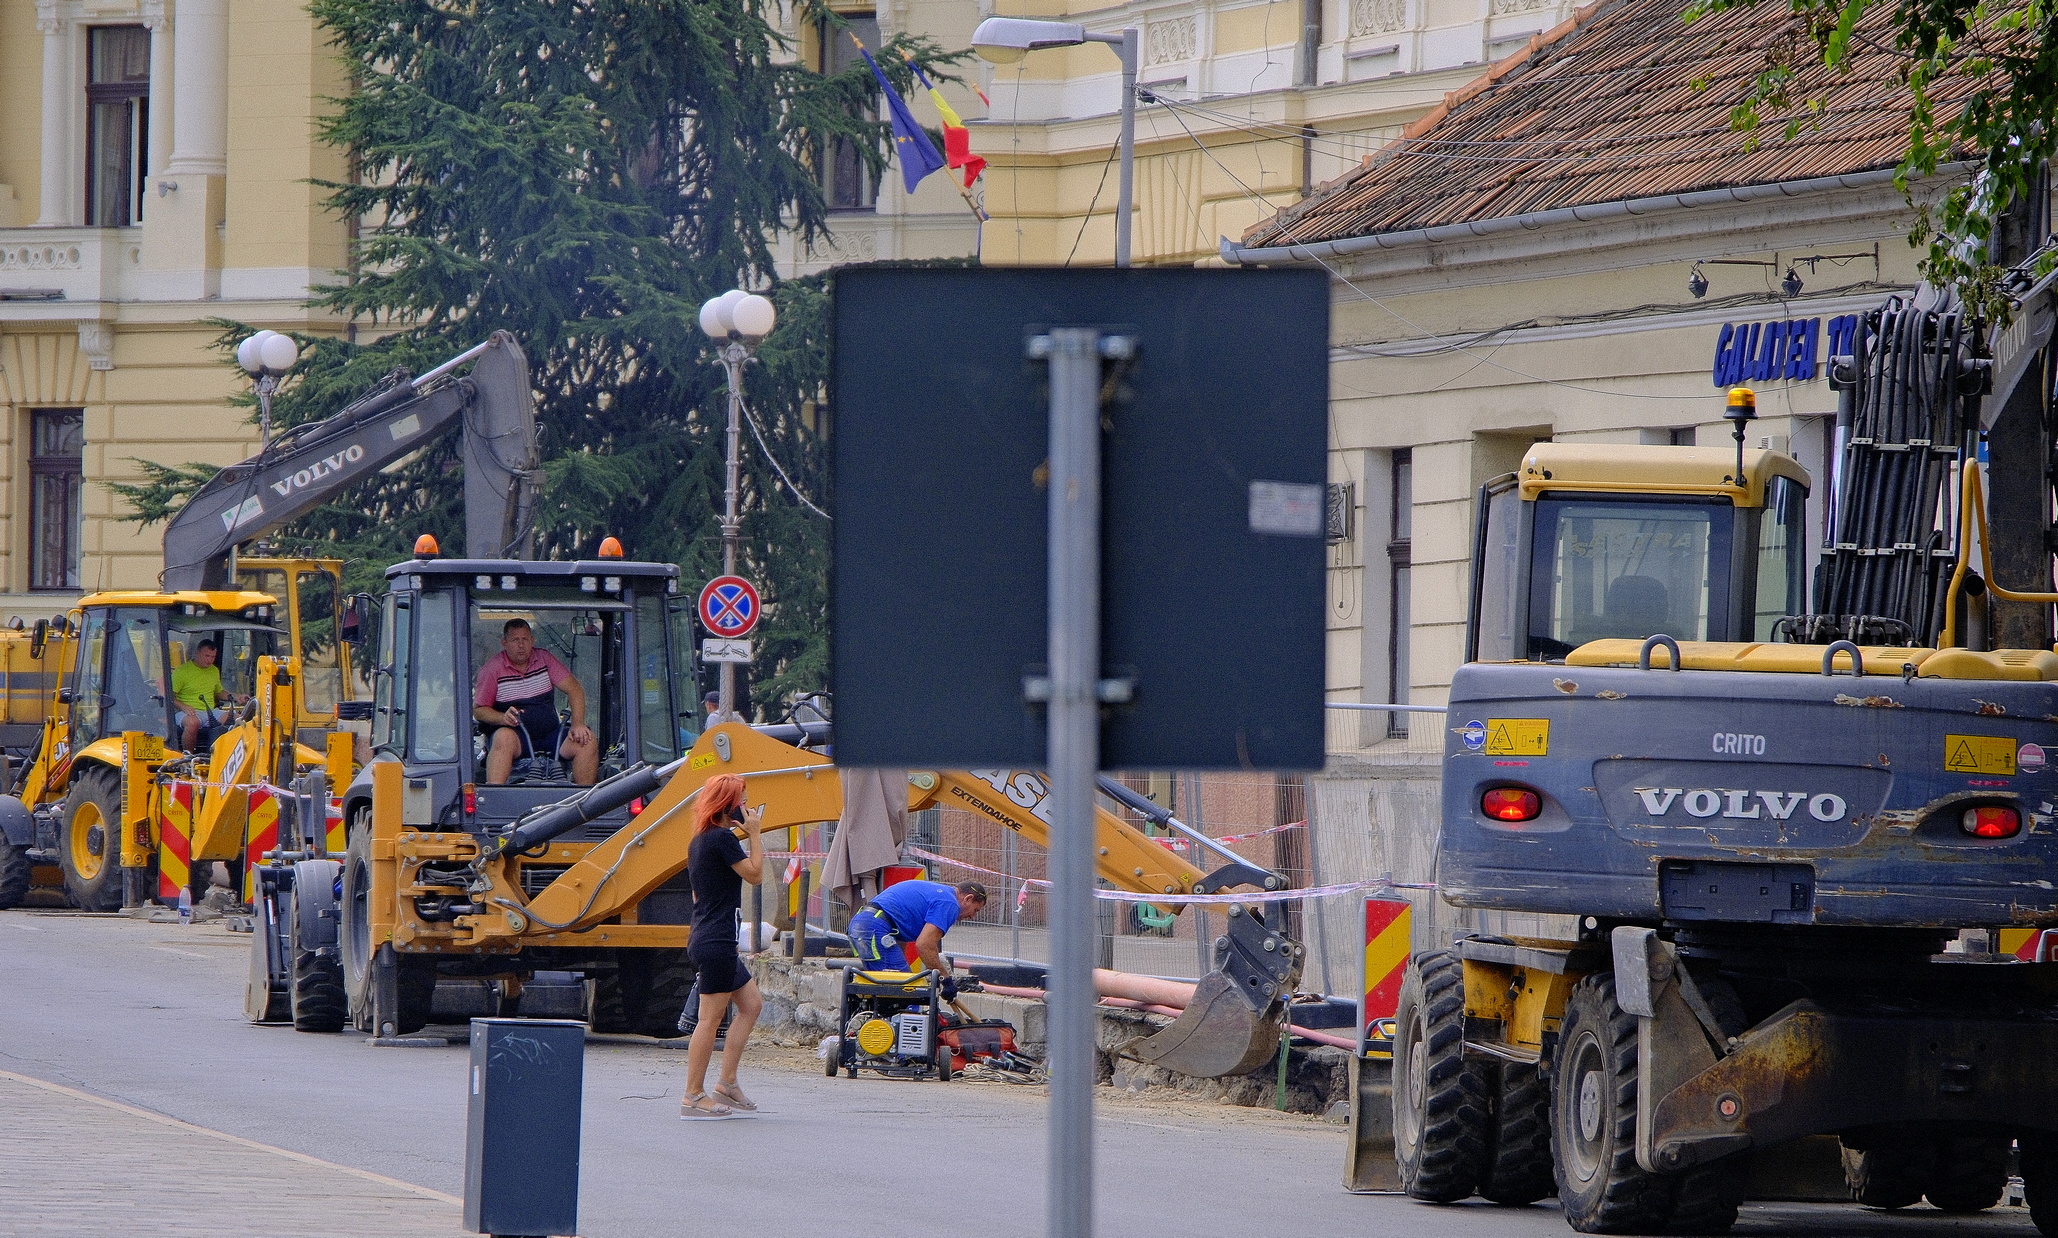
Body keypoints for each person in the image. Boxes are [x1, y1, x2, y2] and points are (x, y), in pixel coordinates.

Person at [681, 772, 765, 1120]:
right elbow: (756, 874)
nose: (745, 807)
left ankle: (727, 1082)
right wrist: (756, 833)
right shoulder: (722, 839)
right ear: (727, 804)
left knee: (751, 1004)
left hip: (710, 937)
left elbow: (698, 893)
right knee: (709, 1020)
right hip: (716, 942)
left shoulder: (701, 840)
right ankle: (692, 1095)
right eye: (741, 800)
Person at [472, 618, 598, 785]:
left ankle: (586, 802)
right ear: (504, 643)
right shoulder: (492, 669)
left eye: (525, 639)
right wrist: (502, 718)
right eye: (515, 640)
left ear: (532, 640)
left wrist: (577, 724)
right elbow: (479, 710)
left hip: (550, 735)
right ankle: (497, 795)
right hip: (517, 738)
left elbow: (575, 690)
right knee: (503, 738)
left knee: (586, 740)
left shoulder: (544, 659)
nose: (521, 645)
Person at [846, 879, 987, 1000]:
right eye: (975, 910)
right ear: (968, 898)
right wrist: (946, 980)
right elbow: (925, 945)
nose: (972, 917)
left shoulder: (939, 893)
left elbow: (898, 931)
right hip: (874, 928)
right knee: (905, 992)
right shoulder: (950, 904)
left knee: (882, 990)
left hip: (864, 923)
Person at [172, 640, 246, 751]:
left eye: (213, 657)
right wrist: (184, 707)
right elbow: (169, 697)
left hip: (210, 712)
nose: (210, 660)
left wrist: (237, 697)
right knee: (192, 723)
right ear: (197, 652)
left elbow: (219, 693)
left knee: (239, 720)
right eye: (207, 656)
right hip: (186, 713)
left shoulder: (214, 670)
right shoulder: (182, 672)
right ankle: (188, 757)